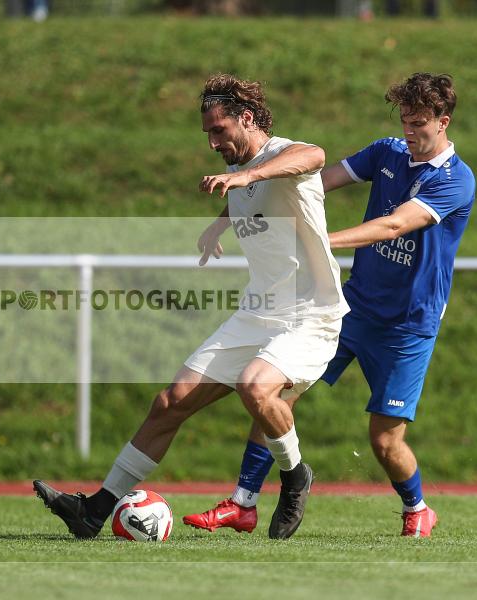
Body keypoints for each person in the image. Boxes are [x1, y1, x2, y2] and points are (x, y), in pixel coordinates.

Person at [34, 73, 349, 539]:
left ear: (246, 119)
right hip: (257, 313)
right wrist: (220, 223)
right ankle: (94, 511)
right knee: (169, 402)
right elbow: (252, 195)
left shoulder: (284, 155)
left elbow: (315, 156)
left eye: (219, 131)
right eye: (207, 134)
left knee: (255, 387)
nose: (212, 143)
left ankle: (295, 474)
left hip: (310, 316)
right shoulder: (244, 172)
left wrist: (245, 176)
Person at [183, 73, 475, 538]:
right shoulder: (387, 152)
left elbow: (393, 226)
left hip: (408, 325)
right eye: (403, 120)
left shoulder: (457, 181)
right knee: (274, 394)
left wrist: (318, 244)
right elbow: (309, 177)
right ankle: (243, 502)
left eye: (419, 122)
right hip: (350, 306)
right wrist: (228, 213)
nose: (408, 131)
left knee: (383, 439)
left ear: (444, 122)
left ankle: (417, 506)